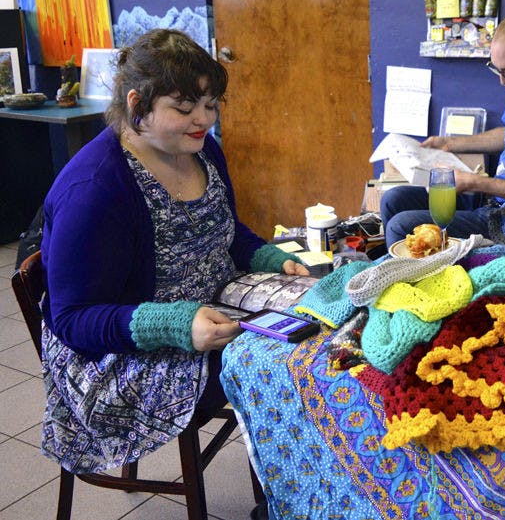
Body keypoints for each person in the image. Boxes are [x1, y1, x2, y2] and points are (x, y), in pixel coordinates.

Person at [39, 29, 309, 481]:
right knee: (276, 365)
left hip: (210, 304)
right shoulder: (95, 191)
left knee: (313, 326)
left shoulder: (200, 151)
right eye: (184, 108)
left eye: (209, 105)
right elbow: (73, 320)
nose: (202, 119)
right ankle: (286, 499)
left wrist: (266, 257)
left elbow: (222, 230)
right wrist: (176, 323)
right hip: (115, 359)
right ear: (136, 105)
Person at [381, 13, 505, 246]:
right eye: (497, 70)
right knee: (393, 199)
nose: (502, 82)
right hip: (489, 200)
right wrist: (449, 144)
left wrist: (474, 182)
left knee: (402, 225)